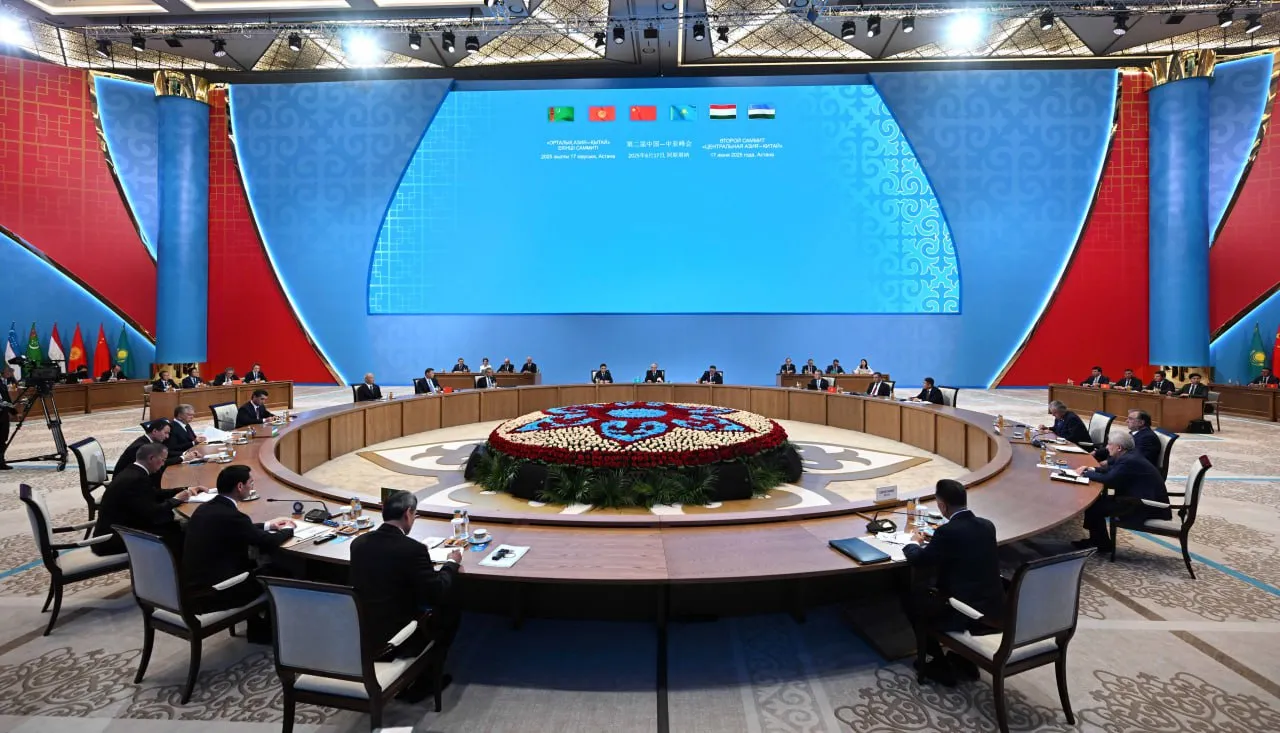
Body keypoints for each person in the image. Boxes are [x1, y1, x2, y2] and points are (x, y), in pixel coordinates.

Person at [350, 490, 462, 703]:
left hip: (364, 630)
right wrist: (451, 563)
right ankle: (426, 680)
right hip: (396, 636)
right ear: (408, 513)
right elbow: (436, 591)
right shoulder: (413, 550)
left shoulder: (359, 543)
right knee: (450, 609)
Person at [902, 479, 1004, 686]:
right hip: (994, 607)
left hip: (965, 611)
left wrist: (913, 542)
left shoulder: (947, 532)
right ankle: (963, 660)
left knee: (912, 599)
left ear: (942, 506)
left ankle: (937, 663)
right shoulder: (987, 525)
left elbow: (920, 560)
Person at [182, 465, 294, 643]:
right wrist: (289, 529)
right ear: (240, 486)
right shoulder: (232, 517)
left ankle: (258, 629)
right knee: (280, 574)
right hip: (216, 593)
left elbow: (239, 529)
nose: (252, 487)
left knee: (255, 566)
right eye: (251, 483)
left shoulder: (205, 509)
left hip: (194, 588)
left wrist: (268, 525)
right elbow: (267, 541)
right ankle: (265, 634)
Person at [91, 443, 207, 556]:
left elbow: (154, 493)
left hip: (124, 526)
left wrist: (185, 489)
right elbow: (153, 513)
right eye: (163, 460)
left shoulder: (134, 471)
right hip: (114, 538)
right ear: (151, 458)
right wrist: (176, 499)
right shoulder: (135, 479)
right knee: (182, 534)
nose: (163, 464)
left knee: (177, 525)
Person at [1075, 431, 1171, 551]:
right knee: (1095, 503)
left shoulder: (1129, 460)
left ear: (1119, 448)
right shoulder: (1129, 455)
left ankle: (1101, 544)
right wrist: (1092, 469)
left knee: (1095, 506)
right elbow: (1113, 471)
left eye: (1109, 444)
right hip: (1135, 496)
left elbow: (1109, 480)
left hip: (1144, 505)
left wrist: (1086, 474)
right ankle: (1099, 541)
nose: (1107, 447)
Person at [115, 420, 197, 477]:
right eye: (166, 433)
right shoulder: (140, 446)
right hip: (128, 484)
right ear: (154, 431)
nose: (167, 437)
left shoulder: (151, 441)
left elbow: (164, 454)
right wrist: (183, 458)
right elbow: (158, 463)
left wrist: (184, 454)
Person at [1093, 409, 1160, 468]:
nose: (1126, 421)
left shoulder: (1148, 438)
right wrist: (1096, 453)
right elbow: (1114, 446)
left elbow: (1134, 458)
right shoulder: (1134, 433)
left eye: (1130, 419)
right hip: (1118, 462)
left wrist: (1107, 462)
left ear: (1141, 423)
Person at [0, 383, 15, 470]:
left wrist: (14, 412)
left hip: (3, 416)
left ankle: (1, 462)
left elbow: (6, 400)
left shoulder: (2, 384)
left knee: (3, 439)